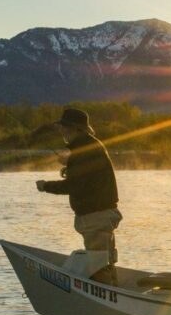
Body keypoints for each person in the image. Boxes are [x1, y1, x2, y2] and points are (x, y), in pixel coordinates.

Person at [36, 108, 122, 283]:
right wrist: (70, 164)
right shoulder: (89, 147)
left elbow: (73, 186)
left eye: (64, 127)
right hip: (101, 215)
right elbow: (87, 178)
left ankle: (107, 298)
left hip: (95, 217)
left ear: (76, 128)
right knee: (105, 263)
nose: (61, 131)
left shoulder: (83, 151)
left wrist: (45, 186)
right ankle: (113, 292)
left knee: (98, 268)